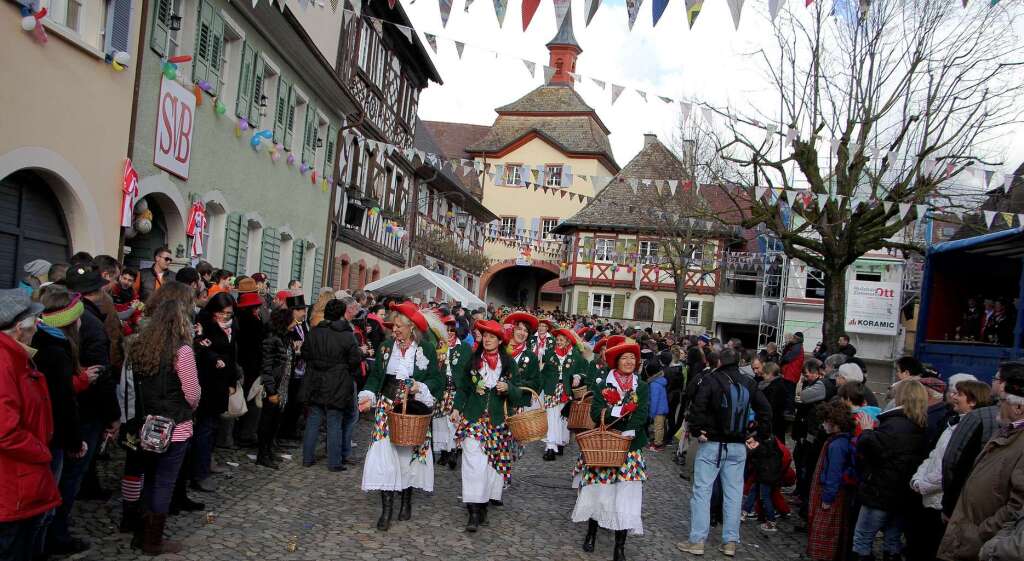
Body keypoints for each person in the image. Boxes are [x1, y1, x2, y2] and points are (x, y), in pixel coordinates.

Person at [47, 266, 119, 555]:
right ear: (96, 293)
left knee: (64, 475)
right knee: (68, 476)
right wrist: (113, 415)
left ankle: (52, 530)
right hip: (84, 410)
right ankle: (56, 534)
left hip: (75, 407)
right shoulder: (87, 323)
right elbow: (101, 376)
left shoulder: (75, 319)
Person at [123, 296, 199, 554]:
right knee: (164, 482)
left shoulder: (140, 346)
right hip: (174, 427)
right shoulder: (183, 351)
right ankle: (152, 540)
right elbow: (192, 393)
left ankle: (140, 533)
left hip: (147, 425)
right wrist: (191, 406)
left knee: (150, 477)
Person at [679, 348, 772, 557]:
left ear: (719, 361)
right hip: (738, 446)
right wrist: (759, 435)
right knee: (734, 494)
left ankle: (697, 540)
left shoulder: (712, 380)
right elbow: (766, 409)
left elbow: (698, 406)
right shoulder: (749, 382)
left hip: (712, 443)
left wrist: (697, 430)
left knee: (702, 492)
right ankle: (730, 541)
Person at [357, 302, 439, 531]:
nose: (395, 331)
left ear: (412, 327)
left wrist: (420, 387)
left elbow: (437, 380)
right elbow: (376, 377)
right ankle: (386, 510)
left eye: (400, 327)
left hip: (412, 410)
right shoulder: (386, 347)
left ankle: (406, 500)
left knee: (407, 457)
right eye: (394, 327)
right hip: (387, 407)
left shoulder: (426, 349)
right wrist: (368, 396)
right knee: (384, 455)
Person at [571, 342, 650, 561]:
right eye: (624, 358)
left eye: (632, 359)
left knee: (626, 495)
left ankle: (620, 546)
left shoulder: (641, 386)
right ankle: (591, 533)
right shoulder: (603, 383)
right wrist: (620, 411)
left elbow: (643, 414)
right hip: (605, 445)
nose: (629, 362)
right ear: (616, 361)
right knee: (599, 492)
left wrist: (627, 426)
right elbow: (597, 413)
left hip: (630, 447)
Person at [938, 362, 1024, 561]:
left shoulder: (1018, 441)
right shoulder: (1006, 432)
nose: (998, 406)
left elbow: (1017, 506)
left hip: (981, 542)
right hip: (968, 535)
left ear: (1018, 407)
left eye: (1002, 401)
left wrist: (981, 532)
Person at [450, 319, 530, 532]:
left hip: (498, 422)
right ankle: (473, 511)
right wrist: (457, 408)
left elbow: (519, 393)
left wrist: (508, 388)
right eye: (484, 336)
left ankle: (483, 503)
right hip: (474, 419)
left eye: (492, 336)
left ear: (499, 340)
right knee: (472, 464)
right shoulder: (473, 360)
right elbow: (464, 388)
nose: (487, 339)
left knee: (488, 467)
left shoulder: (509, 363)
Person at [0, 289, 61, 561]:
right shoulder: (4, 363)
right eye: (35, 321)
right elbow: (5, 431)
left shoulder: (16, 357)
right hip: (12, 483)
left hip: (19, 480)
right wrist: (41, 450)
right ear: (19, 327)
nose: (38, 326)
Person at [29, 287, 86, 556]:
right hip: (50, 437)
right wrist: (75, 440)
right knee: (45, 504)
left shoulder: (37, 343)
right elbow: (63, 402)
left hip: (40, 434)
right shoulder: (56, 351)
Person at [908, 379, 991, 561]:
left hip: (939, 502)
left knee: (928, 548)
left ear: (973, 401)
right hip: (927, 496)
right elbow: (934, 456)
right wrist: (918, 478)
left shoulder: (971, 429)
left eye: (959, 394)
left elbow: (950, 469)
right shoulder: (952, 423)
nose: (953, 397)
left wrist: (923, 485)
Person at [851, 380, 930, 561]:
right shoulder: (921, 424)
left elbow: (874, 453)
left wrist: (867, 431)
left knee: (862, 539)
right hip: (903, 493)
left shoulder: (894, 424)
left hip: (880, 491)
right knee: (892, 540)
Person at [301, 299, 363, 472]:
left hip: (316, 380)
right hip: (337, 382)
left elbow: (305, 353)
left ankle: (307, 458)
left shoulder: (314, 332)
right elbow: (355, 360)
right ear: (342, 314)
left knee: (314, 419)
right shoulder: (346, 334)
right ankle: (334, 462)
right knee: (334, 421)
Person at [191, 293, 241, 494]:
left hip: (222, 382)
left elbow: (232, 353)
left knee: (212, 427)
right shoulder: (204, 323)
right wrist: (214, 358)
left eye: (228, 313)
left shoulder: (231, 326)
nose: (225, 316)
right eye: (222, 313)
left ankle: (207, 463)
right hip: (208, 382)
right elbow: (202, 347)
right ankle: (199, 473)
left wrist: (232, 380)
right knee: (205, 429)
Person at [806, 400, 858, 561]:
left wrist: (828, 498)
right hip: (830, 490)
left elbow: (833, 474)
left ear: (834, 422)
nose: (823, 424)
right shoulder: (838, 441)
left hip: (831, 493)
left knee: (826, 530)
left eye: (825, 421)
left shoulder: (837, 445)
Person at [256, 309, 294, 470]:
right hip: (273, 386)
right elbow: (267, 367)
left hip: (282, 385)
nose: (295, 323)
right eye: (292, 320)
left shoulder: (285, 338)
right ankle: (262, 454)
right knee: (267, 421)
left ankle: (269, 451)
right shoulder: (272, 339)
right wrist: (271, 391)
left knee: (274, 421)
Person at [540, 327, 584, 460]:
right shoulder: (549, 353)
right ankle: (550, 447)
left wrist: (578, 376)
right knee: (551, 418)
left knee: (563, 418)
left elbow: (582, 369)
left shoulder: (574, 355)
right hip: (551, 389)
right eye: (557, 339)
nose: (558, 342)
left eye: (561, 340)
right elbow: (543, 373)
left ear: (567, 341)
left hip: (566, 390)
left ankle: (560, 443)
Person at [434, 315, 470, 470]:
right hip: (442, 389)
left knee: (453, 422)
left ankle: (455, 450)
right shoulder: (438, 346)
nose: (449, 333)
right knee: (440, 421)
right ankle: (444, 451)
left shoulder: (464, 348)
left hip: (456, 389)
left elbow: (467, 371)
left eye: (452, 330)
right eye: (446, 330)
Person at [504, 311, 542, 395]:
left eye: (526, 331)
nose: (522, 333)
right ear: (513, 330)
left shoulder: (531, 356)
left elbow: (536, 383)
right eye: (519, 329)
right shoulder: (501, 349)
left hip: (516, 403)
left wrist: (513, 385)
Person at [759, 362, 788, 443]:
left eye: (764, 374)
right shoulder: (780, 383)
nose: (762, 376)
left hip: (773, 422)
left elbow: (770, 405)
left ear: (770, 374)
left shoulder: (773, 387)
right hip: (778, 420)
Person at [780, 332, 805, 411]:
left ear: (796, 339)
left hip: (790, 373)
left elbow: (787, 358)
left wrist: (782, 360)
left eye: (793, 338)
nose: (791, 339)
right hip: (792, 373)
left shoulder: (796, 347)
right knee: (789, 392)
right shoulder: (797, 346)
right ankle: (789, 409)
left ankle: (789, 410)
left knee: (789, 393)